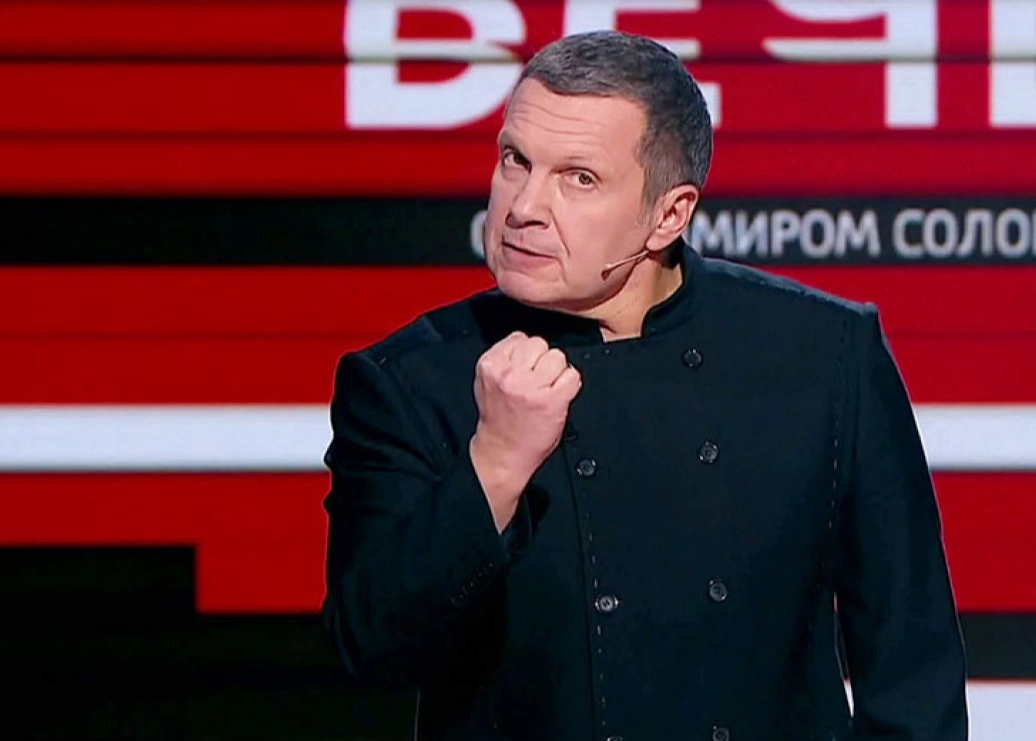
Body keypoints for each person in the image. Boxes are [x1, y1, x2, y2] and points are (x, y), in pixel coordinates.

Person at [321, 30, 968, 741]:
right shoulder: (409, 380)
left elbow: (913, 669)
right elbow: (372, 649)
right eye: (515, 160)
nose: (523, 206)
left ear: (669, 214)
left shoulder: (823, 354)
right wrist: (494, 465)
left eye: (579, 178)